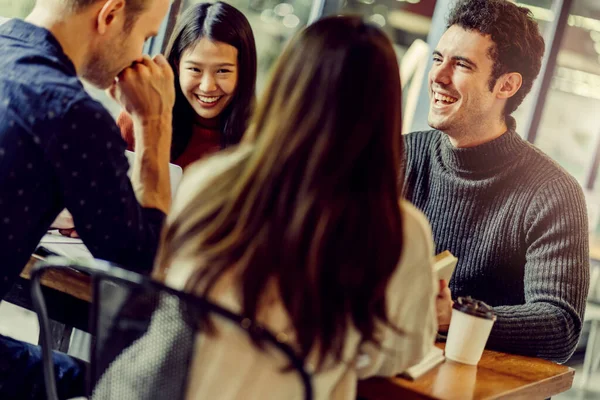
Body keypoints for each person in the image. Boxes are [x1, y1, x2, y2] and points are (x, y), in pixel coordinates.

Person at [92, 16, 437, 399]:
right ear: (385, 113)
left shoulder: (211, 180)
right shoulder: (399, 231)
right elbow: (398, 354)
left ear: (285, 88)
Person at [0, 0, 174, 396]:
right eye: (145, 38)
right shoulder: (71, 113)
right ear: (110, 15)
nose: (140, 57)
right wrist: (155, 122)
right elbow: (139, 271)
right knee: (122, 388)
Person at [403, 0, 589, 363]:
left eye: (461, 65)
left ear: (506, 85)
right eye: (439, 58)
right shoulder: (400, 156)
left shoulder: (552, 192)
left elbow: (559, 325)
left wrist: (453, 317)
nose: (438, 76)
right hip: (395, 367)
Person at [117, 1, 257, 169]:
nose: (207, 86)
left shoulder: (259, 140)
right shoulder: (139, 118)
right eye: (195, 69)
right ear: (177, 65)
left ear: (243, 70)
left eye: (222, 71)